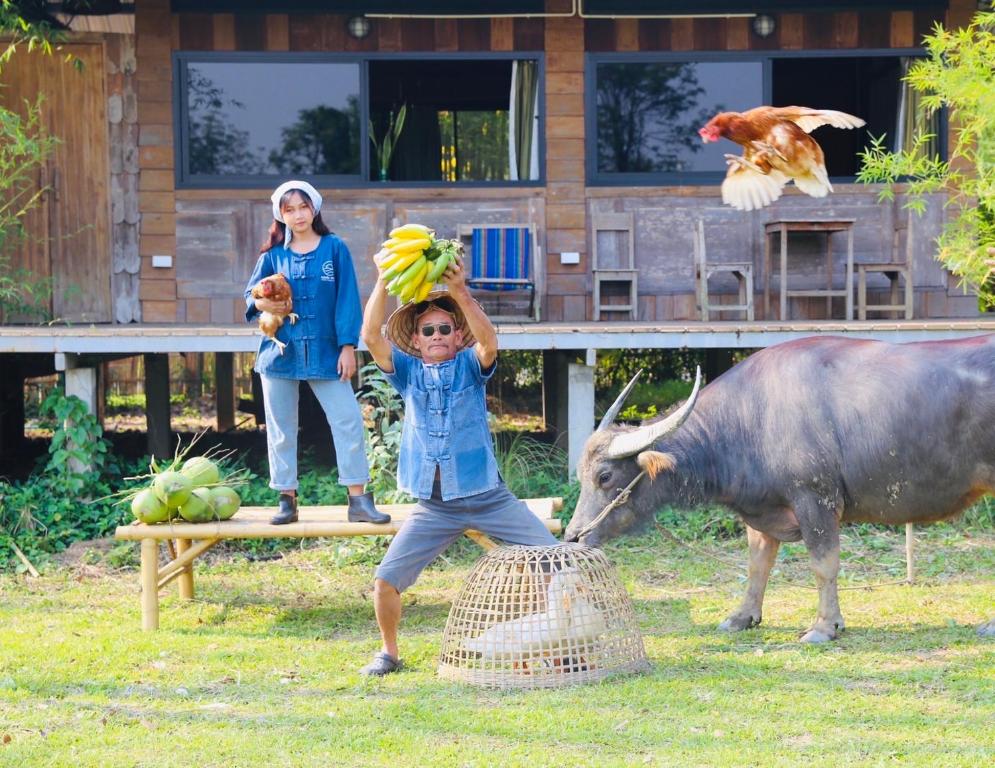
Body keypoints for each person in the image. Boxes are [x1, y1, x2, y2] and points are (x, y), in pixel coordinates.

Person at [357, 250, 558, 676]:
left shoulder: (469, 364)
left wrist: (460, 292)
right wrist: (380, 281)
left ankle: (546, 641)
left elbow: (489, 343)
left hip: (488, 496)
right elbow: (372, 336)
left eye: (444, 329)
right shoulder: (408, 372)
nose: (435, 335)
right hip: (435, 505)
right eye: (426, 329)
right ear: (415, 338)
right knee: (385, 580)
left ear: (456, 335)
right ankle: (389, 653)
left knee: (553, 561)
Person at [244, 180, 389, 526]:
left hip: (327, 352)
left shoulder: (334, 249)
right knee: (281, 428)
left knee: (347, 421)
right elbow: (249, 299)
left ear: (315, 209)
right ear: (280, 215)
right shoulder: (272, 256)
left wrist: (347, 347)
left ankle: (358, 500)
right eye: (289, 209)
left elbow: (347, 299)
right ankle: (286, 499)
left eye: (303, 207)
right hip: (280, 355)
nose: (298, 215)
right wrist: (261, 299)